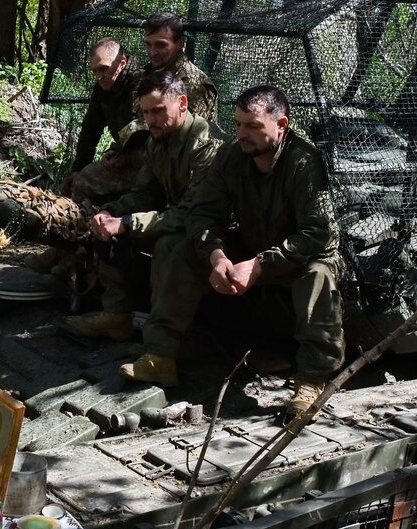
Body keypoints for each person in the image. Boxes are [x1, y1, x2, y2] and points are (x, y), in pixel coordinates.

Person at [120, 85, 344, 422]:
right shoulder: (230, 156)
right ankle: (161, 354)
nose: (242, 134)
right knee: (181, 249)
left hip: (299, 257)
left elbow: (316, 234)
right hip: (252, 248)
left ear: (280, 124)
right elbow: (202, 214)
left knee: (319, 275)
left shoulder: (304, 161)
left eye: (252, 126)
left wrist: (258, 265)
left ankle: (311, 380)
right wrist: (218, 257)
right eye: (238, 124)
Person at [58, 71, 224, 347]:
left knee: (167, 245)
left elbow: (193, 213)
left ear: (183, 103)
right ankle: (117, 315)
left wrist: (128, 222)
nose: (151, 120)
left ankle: (166, 341)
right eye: (146, 112)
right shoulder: (158, 139)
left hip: (212, 231)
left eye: (158, 111)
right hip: (180, 217)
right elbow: (146, 193)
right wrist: (110, 212)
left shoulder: (206, 145)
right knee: (108, 230)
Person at [26, 38, 144, 273]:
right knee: (75, 182)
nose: (99, 75)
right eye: (95, 71)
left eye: (104, 68)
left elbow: (144, 127)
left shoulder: (141, 81)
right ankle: (65, 248)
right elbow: (90, 130)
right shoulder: (103, 87)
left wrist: (119, 152)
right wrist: (77, 168)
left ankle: (74, 253)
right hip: (123, 155)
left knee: (86, 183)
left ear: (121, 63)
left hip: (145, 157)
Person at [142, 12, 218, 122]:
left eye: (161, 45)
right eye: (148, 44)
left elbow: (191, 133)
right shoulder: (146, 73)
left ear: (181, 43)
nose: (152, 52)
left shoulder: (194, 84)